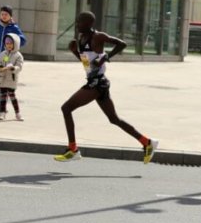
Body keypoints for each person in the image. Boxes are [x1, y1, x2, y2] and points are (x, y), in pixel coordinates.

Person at [54, 11, 158, 164]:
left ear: (89, 24)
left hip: (97, 83)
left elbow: (122, 44)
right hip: (95, 81)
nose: (77, 25)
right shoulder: (82, 39)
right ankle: (147, 142)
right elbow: (88, 65)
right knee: (114, 119)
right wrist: (76, 52)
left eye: (80, 22)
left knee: (66, 108)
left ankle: (73, 149)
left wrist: (105, 58)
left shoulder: (98, 36)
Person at [0, 6, 26, 112]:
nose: (3, 16)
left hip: (8, 59)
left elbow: (22, 40)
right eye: (2, 14)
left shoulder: (14, 28)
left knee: (6, 83)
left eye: (6, 14)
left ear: (10, 16)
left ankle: (3, 104)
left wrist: (14, 46)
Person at [0, 33, 24, 121]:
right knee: (3, 96)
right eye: (7, 44)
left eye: (11, 44)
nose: (9, 46)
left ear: (15, 44)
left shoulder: (18, 55)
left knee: (12, 96)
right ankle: (2, 113)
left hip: (11, 78)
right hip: (2, 77)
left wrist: (13, 68)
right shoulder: (3, 54)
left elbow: (19, 66)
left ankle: (17, 113)